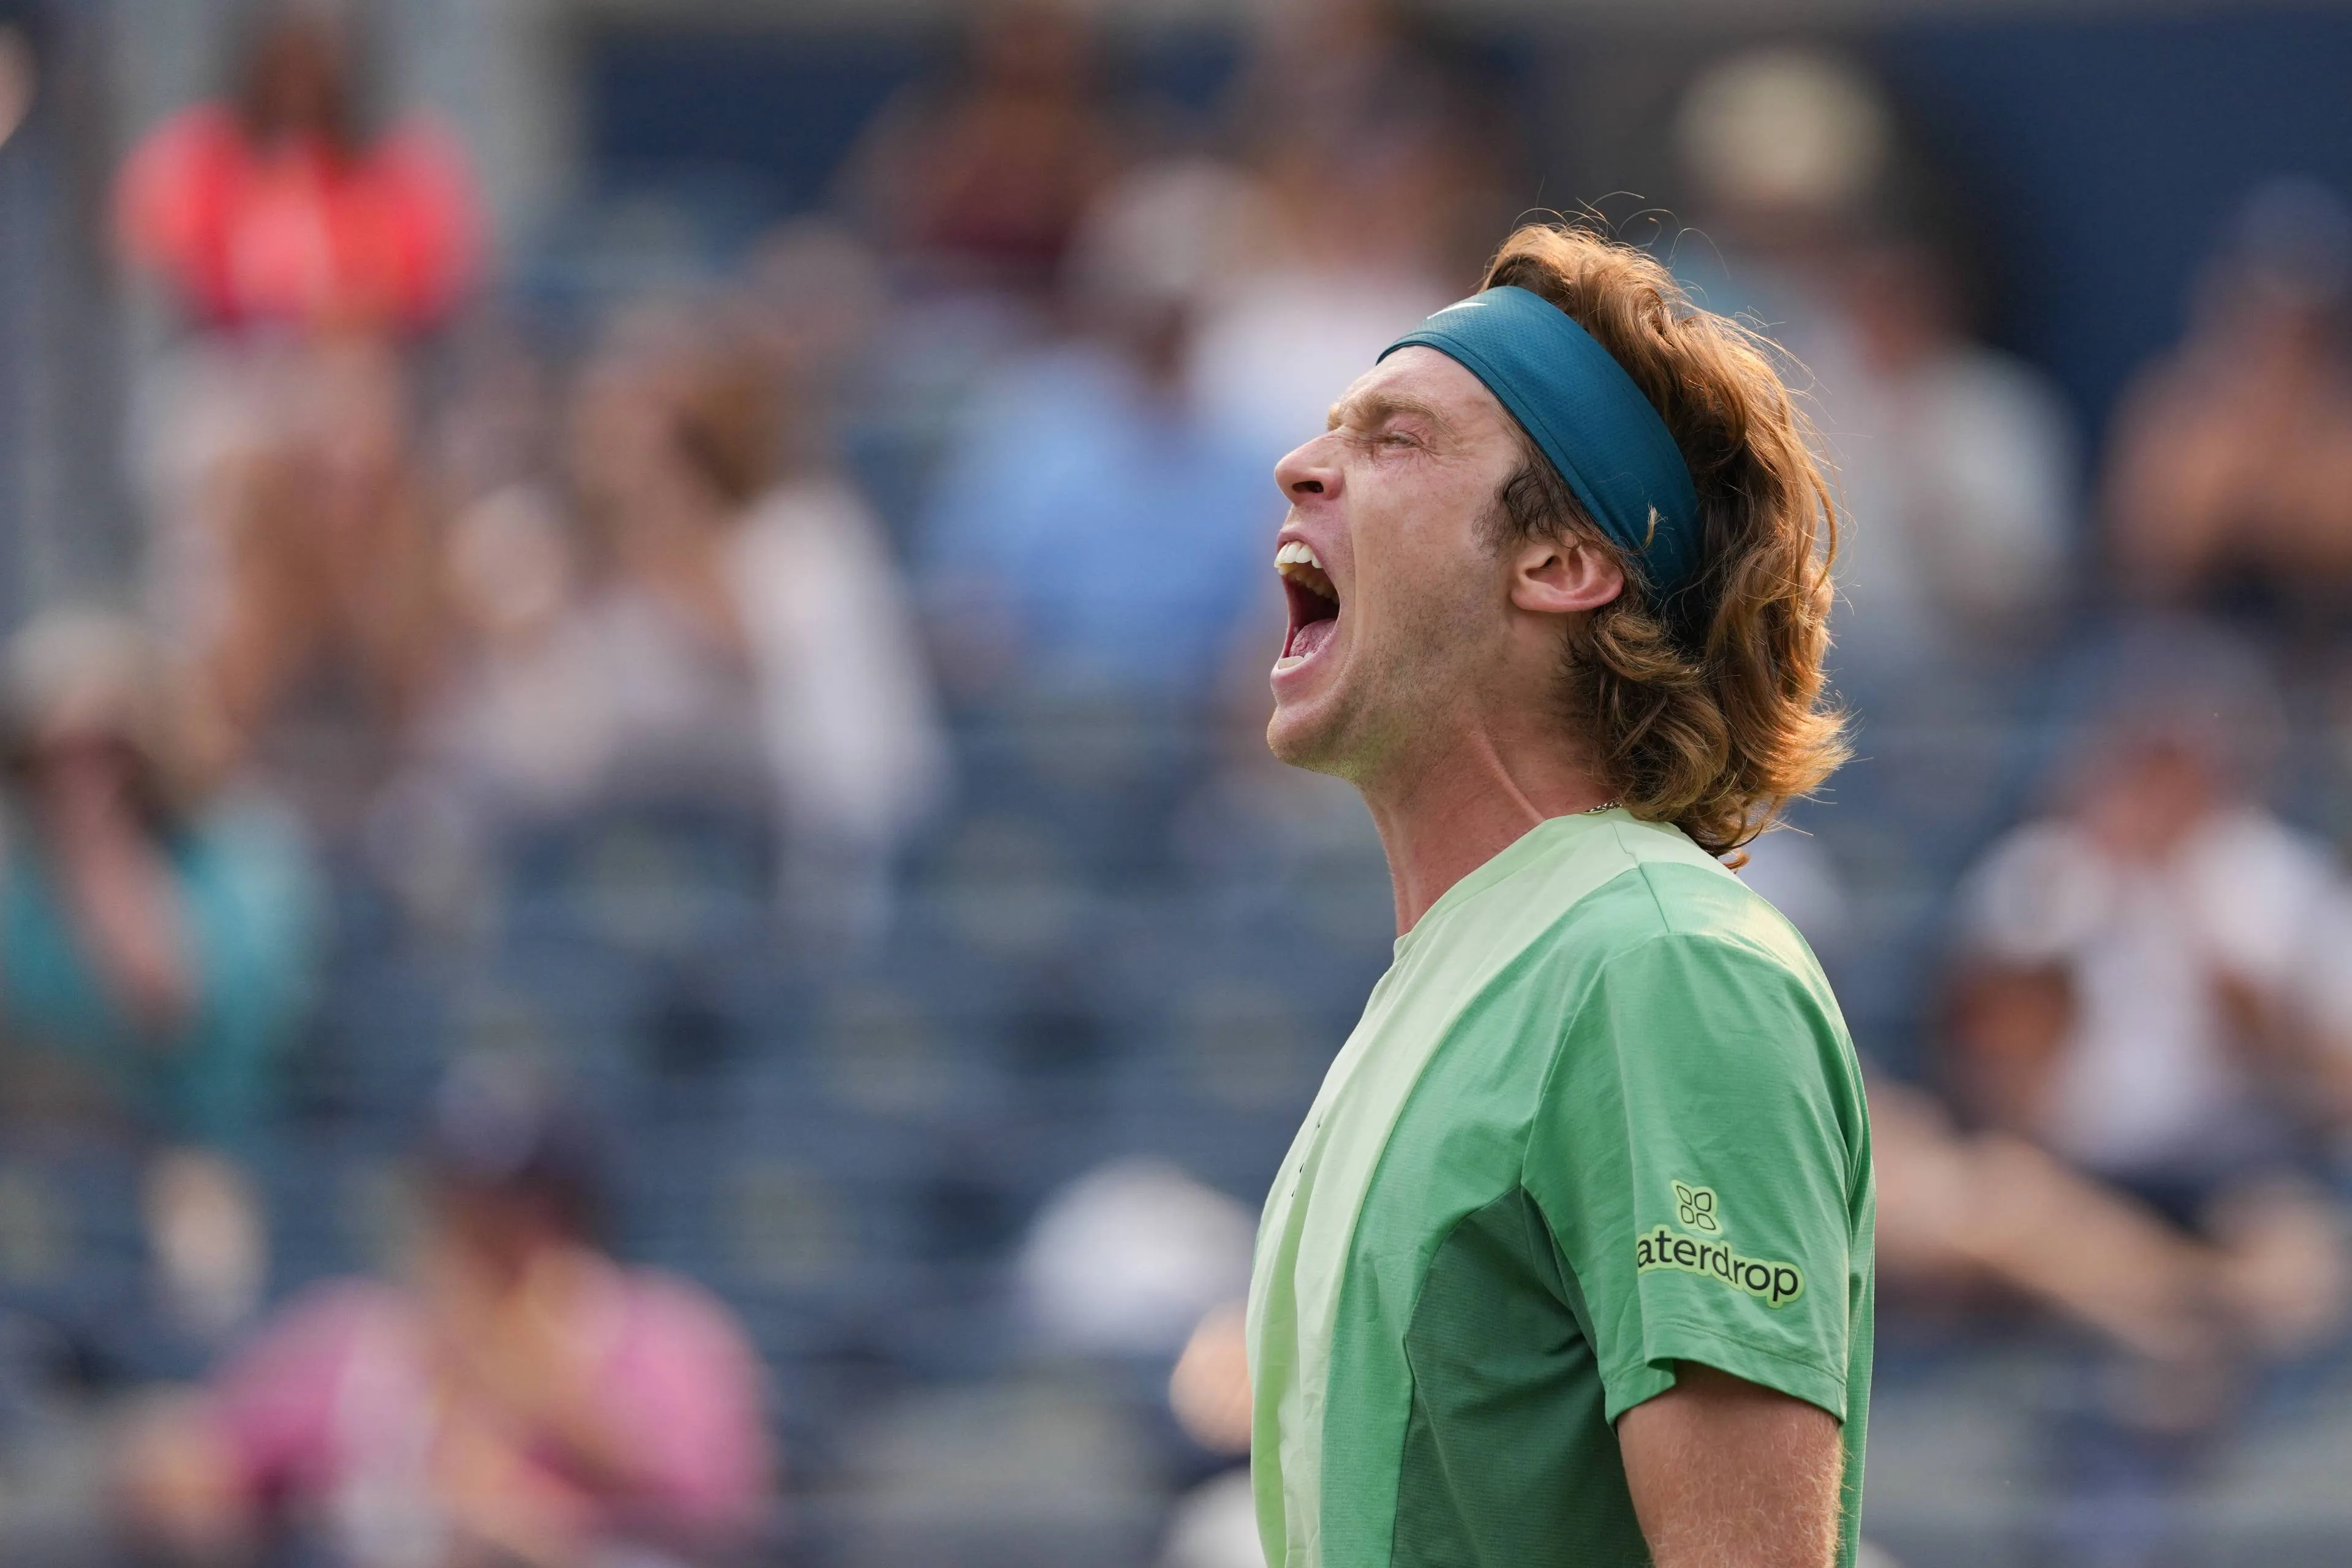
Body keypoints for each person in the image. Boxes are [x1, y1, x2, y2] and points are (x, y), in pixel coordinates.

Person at [1245, 223, 1870, 1566]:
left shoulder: (1661, 965)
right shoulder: (1455, 982)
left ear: (1561, 562)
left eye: (1394, 438)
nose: (1300, 466)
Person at [120, 1059, 774, 1567]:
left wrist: (548, 1412)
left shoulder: (662, 1333)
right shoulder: (357, 1332)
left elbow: (720, 1514)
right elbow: (199, 1464)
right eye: (467, 1205)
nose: (495, 1233)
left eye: (524, 1207)